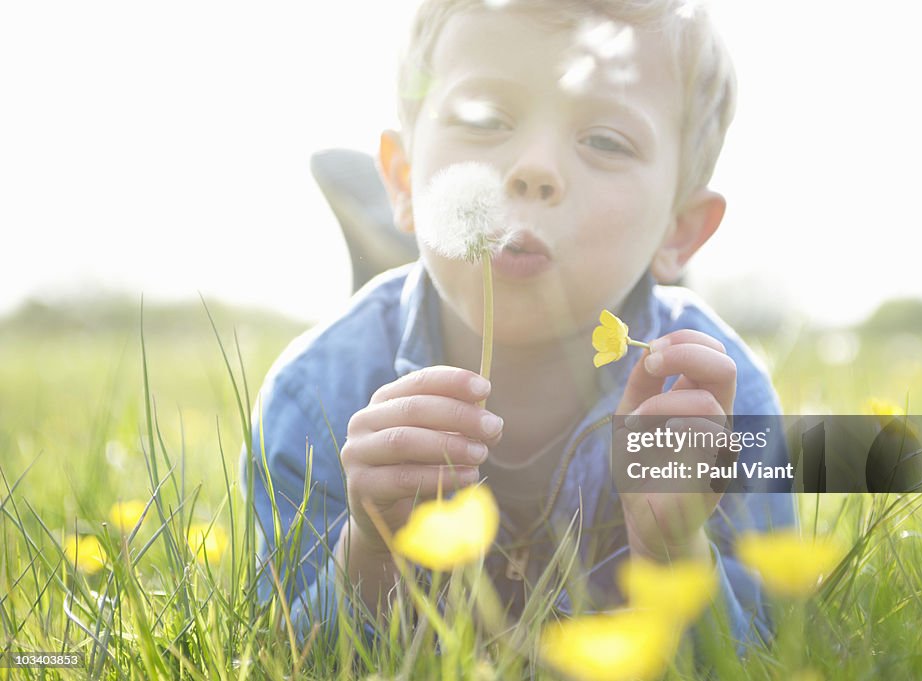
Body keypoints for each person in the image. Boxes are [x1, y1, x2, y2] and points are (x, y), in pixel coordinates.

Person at [242, 0, 795, 658]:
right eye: (484, 117)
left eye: (605, 140)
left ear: (680, 230)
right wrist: (369, 550)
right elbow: (281, 657)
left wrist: (676, 552)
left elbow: (767, 655)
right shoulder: (314, 398)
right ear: (406, 179)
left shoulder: (721, 405)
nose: (532, 168)